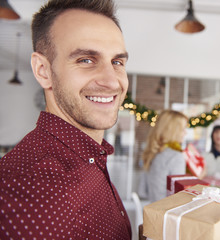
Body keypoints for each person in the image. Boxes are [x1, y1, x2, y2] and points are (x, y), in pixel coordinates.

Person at [0, 0, 131, 239]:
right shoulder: (21, 194)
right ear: (43, 70)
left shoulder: (93, 157)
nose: (113, 81)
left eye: (117, 62)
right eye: (86, 60)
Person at [142, 110, 188, 202]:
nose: (185, 133)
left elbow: (143, 191)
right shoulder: (175, 156)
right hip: (168, 212)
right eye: (183, 129)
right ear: (173, 130)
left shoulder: (154, 153)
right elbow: (179, 196)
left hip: (154, 209)